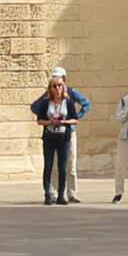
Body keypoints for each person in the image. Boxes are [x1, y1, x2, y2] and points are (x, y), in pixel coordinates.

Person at [30, 74, 79, 204]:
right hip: (49, 137)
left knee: (62, 167)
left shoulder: (68, 102)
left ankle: (61, 195)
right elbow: (39, 121)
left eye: (60, 86)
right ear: (50, 88)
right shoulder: (46, 103)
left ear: (63, 88)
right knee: (49, 166)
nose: (57, 88)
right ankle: (47, 194)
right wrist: (50, 122)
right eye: (55, 86)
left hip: (63, 137)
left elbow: (75, 120)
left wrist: (64, 121)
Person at [52, 67, 92, 201]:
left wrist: (76, 117)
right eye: (54, 78)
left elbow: (87, 104)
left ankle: (72, 192)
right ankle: (54, 193)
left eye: (59, 78)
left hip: (69, 132)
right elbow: (36, 106)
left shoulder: (72, 93)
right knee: (55, 164)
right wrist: (48, 120)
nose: (57, 82)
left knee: (71, 164)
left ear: (64, 79)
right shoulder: (49, 95)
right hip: (54, 133)